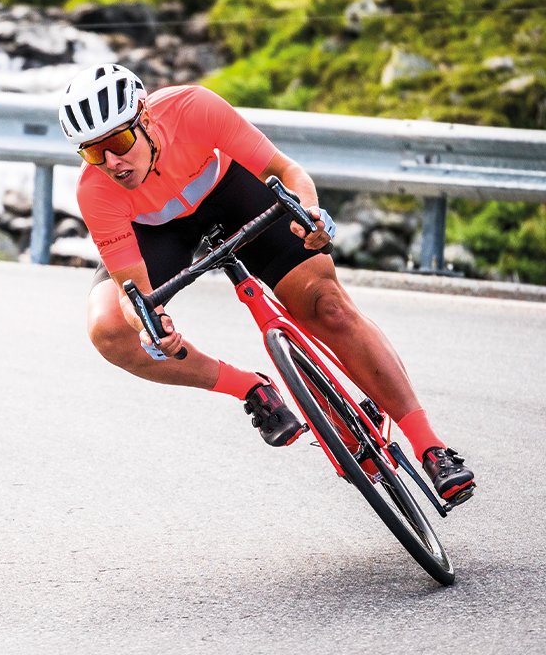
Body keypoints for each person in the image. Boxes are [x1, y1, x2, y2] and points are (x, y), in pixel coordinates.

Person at [57, 63, 475, 501]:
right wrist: (149, 324)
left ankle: (431, 447)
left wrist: (309, 213)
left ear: (144, 116)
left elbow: (287, 172)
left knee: (325, 305)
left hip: (230, 192)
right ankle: (250, 387)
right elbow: (133, 292)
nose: (112, 162)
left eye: (118, 142)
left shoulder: (192, 108)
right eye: (92, 152)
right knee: (109, 330)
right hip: (156, 230)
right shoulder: (96, 191)